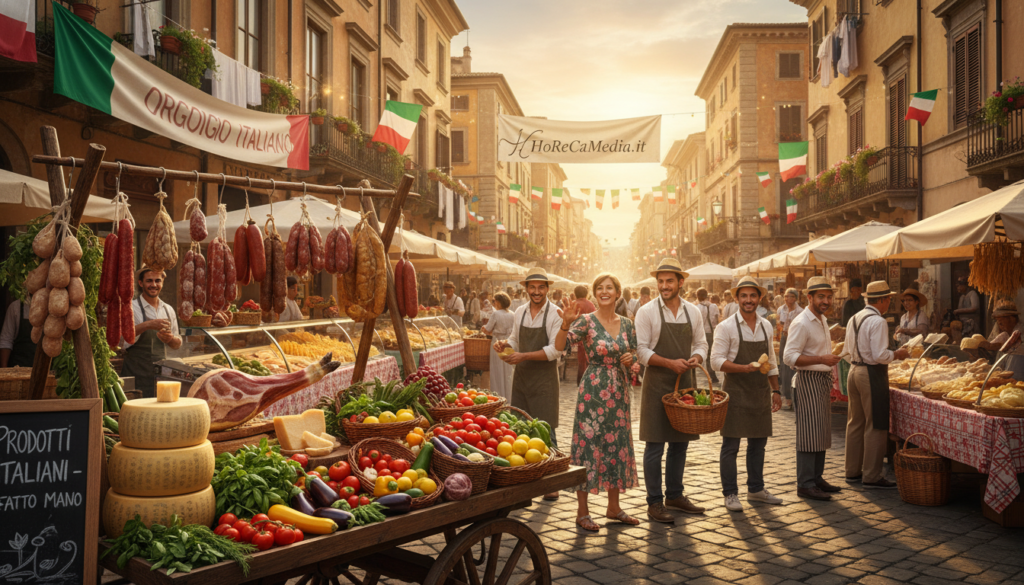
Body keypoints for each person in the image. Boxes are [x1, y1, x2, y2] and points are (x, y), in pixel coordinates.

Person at [555, 273, 640, 531]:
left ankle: (613, 508)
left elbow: (633, 354)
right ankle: (582, 513)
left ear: (617, 293)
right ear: (594, 294)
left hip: (619, 390)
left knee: (617, 445)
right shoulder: (585, 322)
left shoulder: (627, 324)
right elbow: (559, 346)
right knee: (587, 446)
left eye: (609, 288)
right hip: (592, 390)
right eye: (600, 288)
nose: (605, 292)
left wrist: (630, 360)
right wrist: (565, 324)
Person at [635, 258, 709, 522]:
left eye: (669, 281)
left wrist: (697, 358)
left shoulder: (693, 312)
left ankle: (675, 495)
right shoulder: (647, 312)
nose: (664, 286)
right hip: (656, 384)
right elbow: (641, 351)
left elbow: (701, 343)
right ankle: (654, 502)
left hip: (686, 383)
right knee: (655, 445)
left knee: (680, 444)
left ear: (681, 282)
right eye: (660, 281)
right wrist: (668, 362)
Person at [711, 277, 784, 511]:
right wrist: (743, 368)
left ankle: (756, 489)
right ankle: (730, 494)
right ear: (736, 299)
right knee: (730, 446)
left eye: (753, 296)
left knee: (758, 445)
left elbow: (771, 362)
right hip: (735, 391)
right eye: (744, 296)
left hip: (760, 392)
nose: (748, 300)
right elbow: (715, 361)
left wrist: (776, 390)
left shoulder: (766, 325)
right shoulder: (726, 327)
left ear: (759, 298)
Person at [493, 269, 563, 500]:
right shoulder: (520, 311)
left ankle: (551, 479)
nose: (536, 292)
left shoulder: (555, 313)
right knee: (521, 427)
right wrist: (505, 344)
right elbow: (515, 338)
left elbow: (555, 351)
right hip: (522, 377)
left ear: (547, 289)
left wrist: (523, 356)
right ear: (526, 289)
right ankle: (526, 475)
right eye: (532, 287)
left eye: (541, 287)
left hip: (544, 378)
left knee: (546, 427)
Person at [845, 281, 910, 489]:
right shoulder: (878, 321)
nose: (889, 302)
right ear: (881, 300)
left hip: (854, 370)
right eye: (888, 299)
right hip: (871, 374)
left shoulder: (854, 318)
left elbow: (846, 350)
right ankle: (872, 475)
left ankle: (852, 470)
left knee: (855, 423)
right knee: (876, 424)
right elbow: (880, 355)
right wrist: (897, 354)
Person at [783, 276, 842, 501]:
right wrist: (821, 358)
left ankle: (817, 478)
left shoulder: (822, 319)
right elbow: (790, 357)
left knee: (821, 431)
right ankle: (805, 484)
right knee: (809, 433)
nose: (825, 301)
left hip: (821, 380)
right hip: (807, 380)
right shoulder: (801, 322)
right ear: (809, 298)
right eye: (821, 297)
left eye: (828, 297)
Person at [121, 268, 182, 398]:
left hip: (160, 376)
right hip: (135, 373)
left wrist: (170, 339)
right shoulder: (131, 307)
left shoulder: (168, 309)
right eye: (149, 281)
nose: (153, 285)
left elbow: (177, 344)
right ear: (141, 283)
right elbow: (123, 340)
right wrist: (148, 325)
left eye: (157, 281)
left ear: (162, 283)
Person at [482, 292, 515, 402]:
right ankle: (509, 397)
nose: (493, 303)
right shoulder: (512, 314)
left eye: (494, 301)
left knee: (497, 370)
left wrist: (483, 328)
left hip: (497, 343)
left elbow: (488, 329)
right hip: (509, 343)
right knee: (508, 370)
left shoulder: (496, 314)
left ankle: (498, 397)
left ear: (499, 302)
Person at [979, 301, 1024, 379]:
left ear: (1012, 319)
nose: (999, 324)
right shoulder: (1004, 335)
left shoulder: (1019, 334)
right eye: (997, 320)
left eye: (1002, 320)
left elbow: (1014, 374)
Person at [777, 288, 803, 411]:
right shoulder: (781, 309)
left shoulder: (800, 312)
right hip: (784, 338)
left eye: (791, 296)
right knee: (783, 365)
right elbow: (779, 323)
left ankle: (795, 395)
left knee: (793, 365)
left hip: (795, 340)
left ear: (796, 298)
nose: (787, 299)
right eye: (786, 296)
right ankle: (786, 395)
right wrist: (782, 329)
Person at [0, 295, 38, 368]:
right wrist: (4, 371)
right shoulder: (15, 307)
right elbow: (6, 341)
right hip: (18, 368)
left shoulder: (52, 309)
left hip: (44, 370)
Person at [571, 285, 597, 386]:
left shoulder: (573, 304)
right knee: (589, 360)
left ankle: (580, 381)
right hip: (589, 336)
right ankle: (588, 381)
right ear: (586, 294)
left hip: (575, 337)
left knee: (581, 361)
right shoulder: (590, 305)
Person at [696, 288, 720, 383]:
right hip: (711, 332)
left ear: (698, 297)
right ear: (707, 296)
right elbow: (717, 320)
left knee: (700, 352)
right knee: (710, 353)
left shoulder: (697, 308)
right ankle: (712, 375)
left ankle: (703, 371)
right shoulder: (714, 306)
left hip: (701, 333)